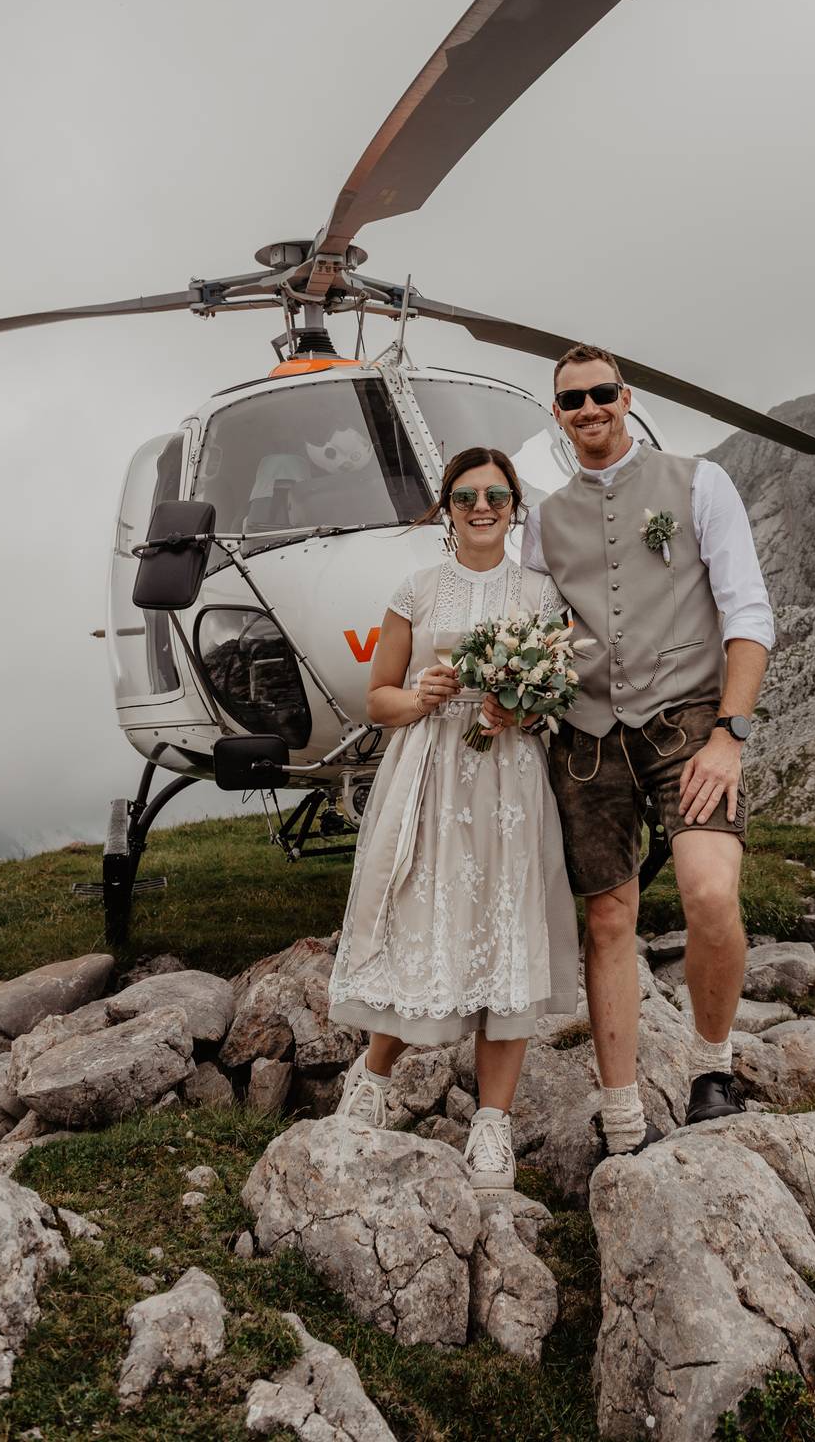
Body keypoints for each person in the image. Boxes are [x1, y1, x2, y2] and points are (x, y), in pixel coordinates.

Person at [519, 345, 774, 1155]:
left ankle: (712, 1069)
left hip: (689, 726)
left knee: (706, 892)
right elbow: (532, 628)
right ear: (556, 415)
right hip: (587, 739)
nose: (589, 408)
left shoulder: (699, 482)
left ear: (624, 398)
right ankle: (622, 1115)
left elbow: (748, 614)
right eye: (572, 400)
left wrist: (729, 736)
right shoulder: (543, 518)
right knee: (607, 922)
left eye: (601, 393)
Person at [328, 446, 579, 1190]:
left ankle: (492, 1126)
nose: (481, 507)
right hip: (431, 776)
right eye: (465, 496)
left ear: (513, 508)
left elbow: (558, 704)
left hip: (508, 785)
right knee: (419, 922)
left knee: (506, 932)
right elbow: (377, 700)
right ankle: (370, 1077)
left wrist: (522, 707)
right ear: (445, 507)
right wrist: (425, 695)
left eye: (495, 497)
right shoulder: (415, 590)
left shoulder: (539, 596)